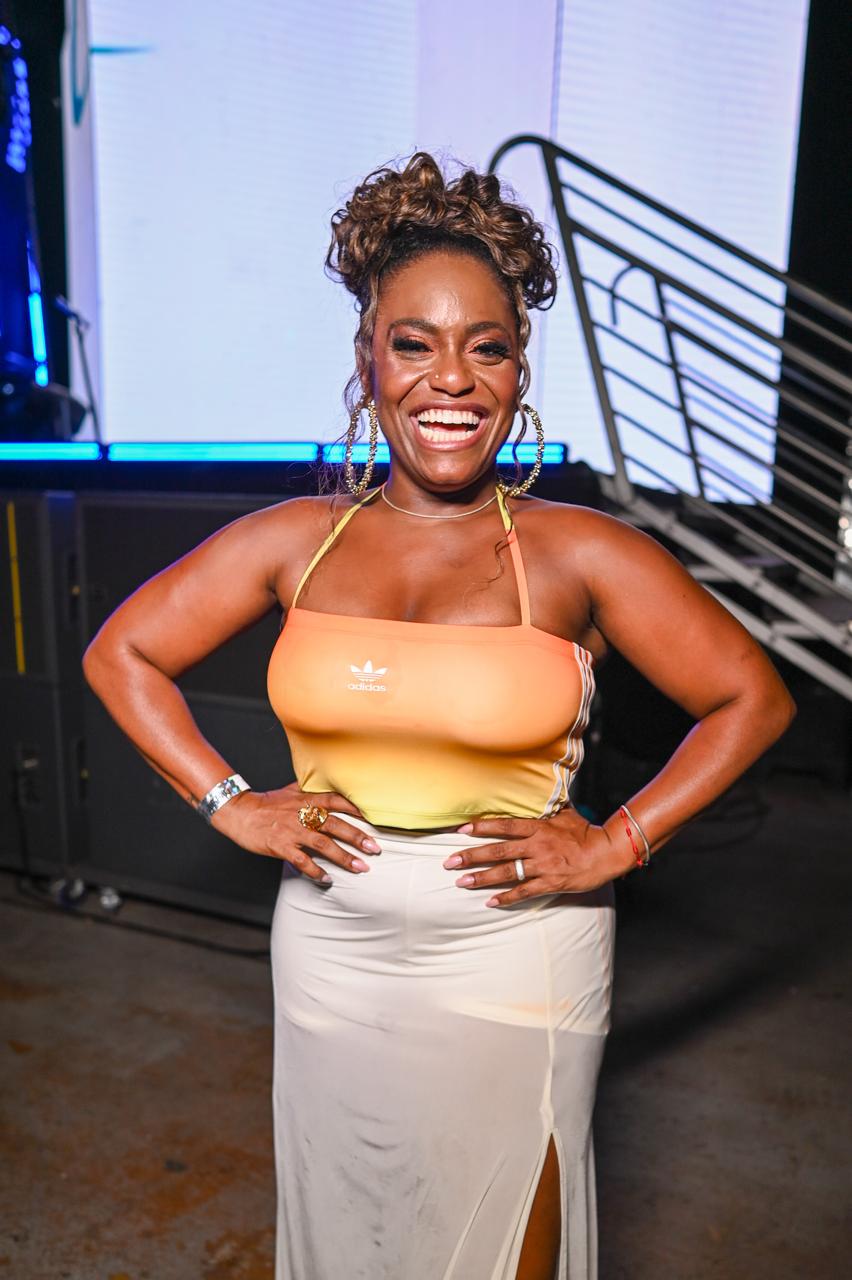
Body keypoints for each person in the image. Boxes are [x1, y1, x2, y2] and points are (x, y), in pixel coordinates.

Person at [83, 152, 795, 1280]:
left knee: (504, 1238)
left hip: (518, 945)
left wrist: (619, 840)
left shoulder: (581, 551)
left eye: (487, 347)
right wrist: (230, 804)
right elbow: (120, 652)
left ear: (519, 368)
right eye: (414, 343)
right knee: (349, 1230)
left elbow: (751, 695)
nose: (451, 379)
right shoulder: (294, 540)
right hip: (330, 942)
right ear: (368, 360)